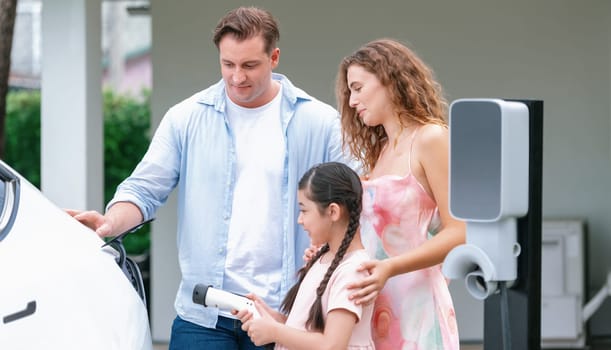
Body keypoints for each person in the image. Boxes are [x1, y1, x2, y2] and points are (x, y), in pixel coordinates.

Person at [68, 6, 346, 350]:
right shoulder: (185, 118)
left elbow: (355, 201)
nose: (237, 77)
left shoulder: (320, 122)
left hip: (285, 316)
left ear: (274, 58)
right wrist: (110, 222)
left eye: (249, 65)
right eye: (228, 64)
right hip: (204, 316)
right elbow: (144, 189)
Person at [336, 38, 467, 349]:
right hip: (375, 303)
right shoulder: (380, 151)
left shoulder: (430, 138)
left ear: (389, 80)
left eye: (358, 87)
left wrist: (390, 268)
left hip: (416, 306)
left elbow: (460, 232)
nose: (352, 101)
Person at [236, 162, 374, 349]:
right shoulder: (322, 259)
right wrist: (270, 318)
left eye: (304, 210)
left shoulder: (353, 271)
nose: (300, 220)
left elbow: (332, 345)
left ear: (333, 211)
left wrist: (275, 332)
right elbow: (306, 331)